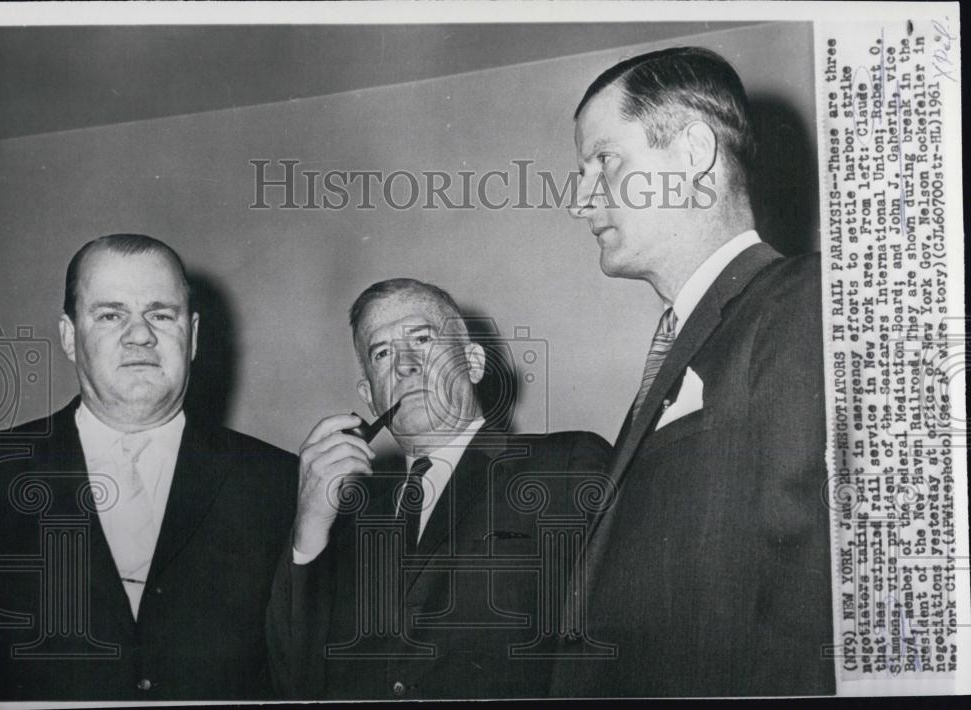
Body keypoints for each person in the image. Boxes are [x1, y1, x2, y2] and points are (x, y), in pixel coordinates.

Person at [551, 47, 834, 696]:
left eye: (604, 161)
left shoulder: (802, 300)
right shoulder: (688, 336)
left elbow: (808, 597)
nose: (580, 198)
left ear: (693, 153)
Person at [267, 278, 611, 700]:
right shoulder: (345, 522)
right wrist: (309, 528)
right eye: (382, 353)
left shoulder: (565, 463)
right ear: (369, 396)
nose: (405, 365)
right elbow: (291, 682)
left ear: (473, 362)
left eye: (423, 339)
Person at [0, 234, 297, 700]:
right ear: (69, 336)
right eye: (111, 315)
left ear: (193, 336)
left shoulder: (279, 483)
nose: (140, 335)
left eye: (161, 314)